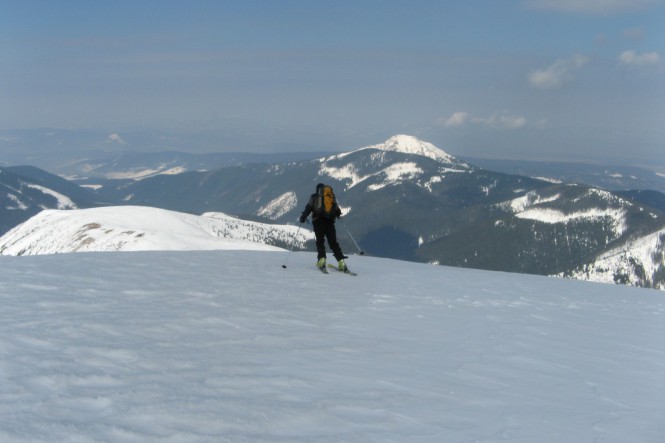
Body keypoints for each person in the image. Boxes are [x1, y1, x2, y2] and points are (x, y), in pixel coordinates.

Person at [299, 183, 348, 271]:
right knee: (333, 243)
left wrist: (303, 217)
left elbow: (308, 208)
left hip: (318, 222)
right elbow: (337, 210)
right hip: (330, 222)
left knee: (320, 241)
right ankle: (341, 262)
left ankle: (322, 260)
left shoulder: (314, 197)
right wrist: (338, 215)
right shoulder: (331, 196)